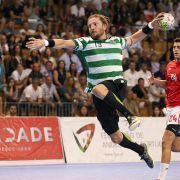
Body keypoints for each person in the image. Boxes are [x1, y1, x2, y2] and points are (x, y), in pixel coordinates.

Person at [26, 13, 164, 168]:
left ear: (104, 26)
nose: (91, 27)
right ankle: (141, 150)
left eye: (95, 24)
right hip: (101, 95)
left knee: (97, 88)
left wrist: (151, 25)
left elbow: (134, 38)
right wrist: (45, 42)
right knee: (116, 137)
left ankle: (130, 116)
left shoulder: (117, 41)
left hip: (117, 85)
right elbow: (64, 42)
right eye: (89, 25)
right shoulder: (85, 42)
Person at [148, 38, 180, 180]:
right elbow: (169, 84)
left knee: (165, 141)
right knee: (174, 147)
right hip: (170, 108)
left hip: (179, 108)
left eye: (179, 47)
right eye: (174, 47)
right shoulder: (170, 65)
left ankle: (161, 178)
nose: (176, 50)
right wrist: (155, 82)